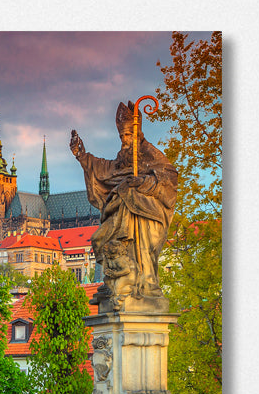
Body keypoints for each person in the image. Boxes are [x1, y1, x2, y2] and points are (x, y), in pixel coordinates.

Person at [70, 101, 178, 306]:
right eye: (121, 136)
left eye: (128, 135)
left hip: (145, 212)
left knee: (140, 248)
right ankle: (112, 281)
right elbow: (106, 169)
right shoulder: (123, 158)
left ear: (137, 134)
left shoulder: (150, 154)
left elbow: (169, 179)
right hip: (122, 209)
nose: (124, 140)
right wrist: (81, 156)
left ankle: (143, 284)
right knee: (100, 239)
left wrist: (143, 182)